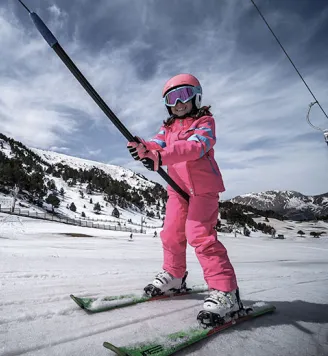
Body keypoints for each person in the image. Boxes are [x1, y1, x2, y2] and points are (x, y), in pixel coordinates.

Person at [127, 73, 241, 322]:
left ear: (196, 97)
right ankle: (174, 276)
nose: (179, 103)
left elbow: (194, 147)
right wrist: (142, 147)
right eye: (172, 97)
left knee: (200, 236)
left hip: (203, 189)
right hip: (177, 190)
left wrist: (160, 157)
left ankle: (226, 291)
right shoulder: (167, 128)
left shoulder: (204, 123)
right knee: (170, 233)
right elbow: (156, 144)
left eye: (184, 95)